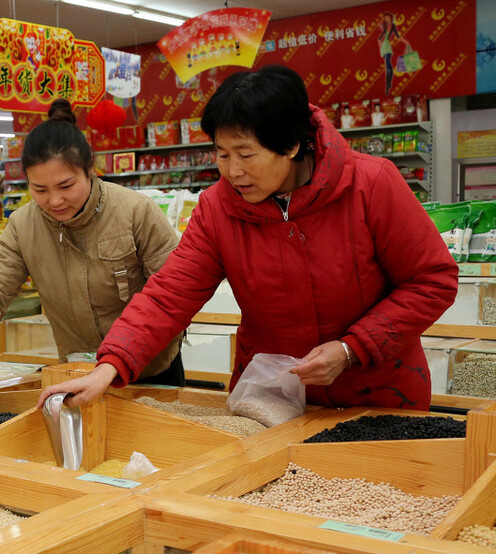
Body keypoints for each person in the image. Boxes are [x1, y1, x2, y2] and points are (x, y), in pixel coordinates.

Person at [39, 64, 457, 411]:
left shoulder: (371, 184)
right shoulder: (219, 208)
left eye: (245, 154)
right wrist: (110, 364)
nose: (232, 171)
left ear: (292, 145)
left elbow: (432, 280)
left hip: (379, 393)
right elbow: (169, 293)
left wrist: (352, 349)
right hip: (272, 397)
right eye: (222, 155)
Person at [0, 99, 184, 384]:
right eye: (39, 189)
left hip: (149, 370)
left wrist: (121, 355)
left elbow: (173, 293)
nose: (55, 201)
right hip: (78, 372)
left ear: (90, 168)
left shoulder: (135, 212)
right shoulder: (23, 226)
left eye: (66, 186)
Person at [378, 13, 401, 94]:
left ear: (391, 18)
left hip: (388, 47)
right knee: (388, 65)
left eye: (388, 18)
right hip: (384, 47)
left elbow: (397, 35)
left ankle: (388, 84)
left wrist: (401, 39)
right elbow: (380, 38)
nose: (387, 19)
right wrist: (380, 45)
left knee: (387, 65)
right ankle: (388, 84)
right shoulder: (386, 28)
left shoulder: (393, 26)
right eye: (385, 18)